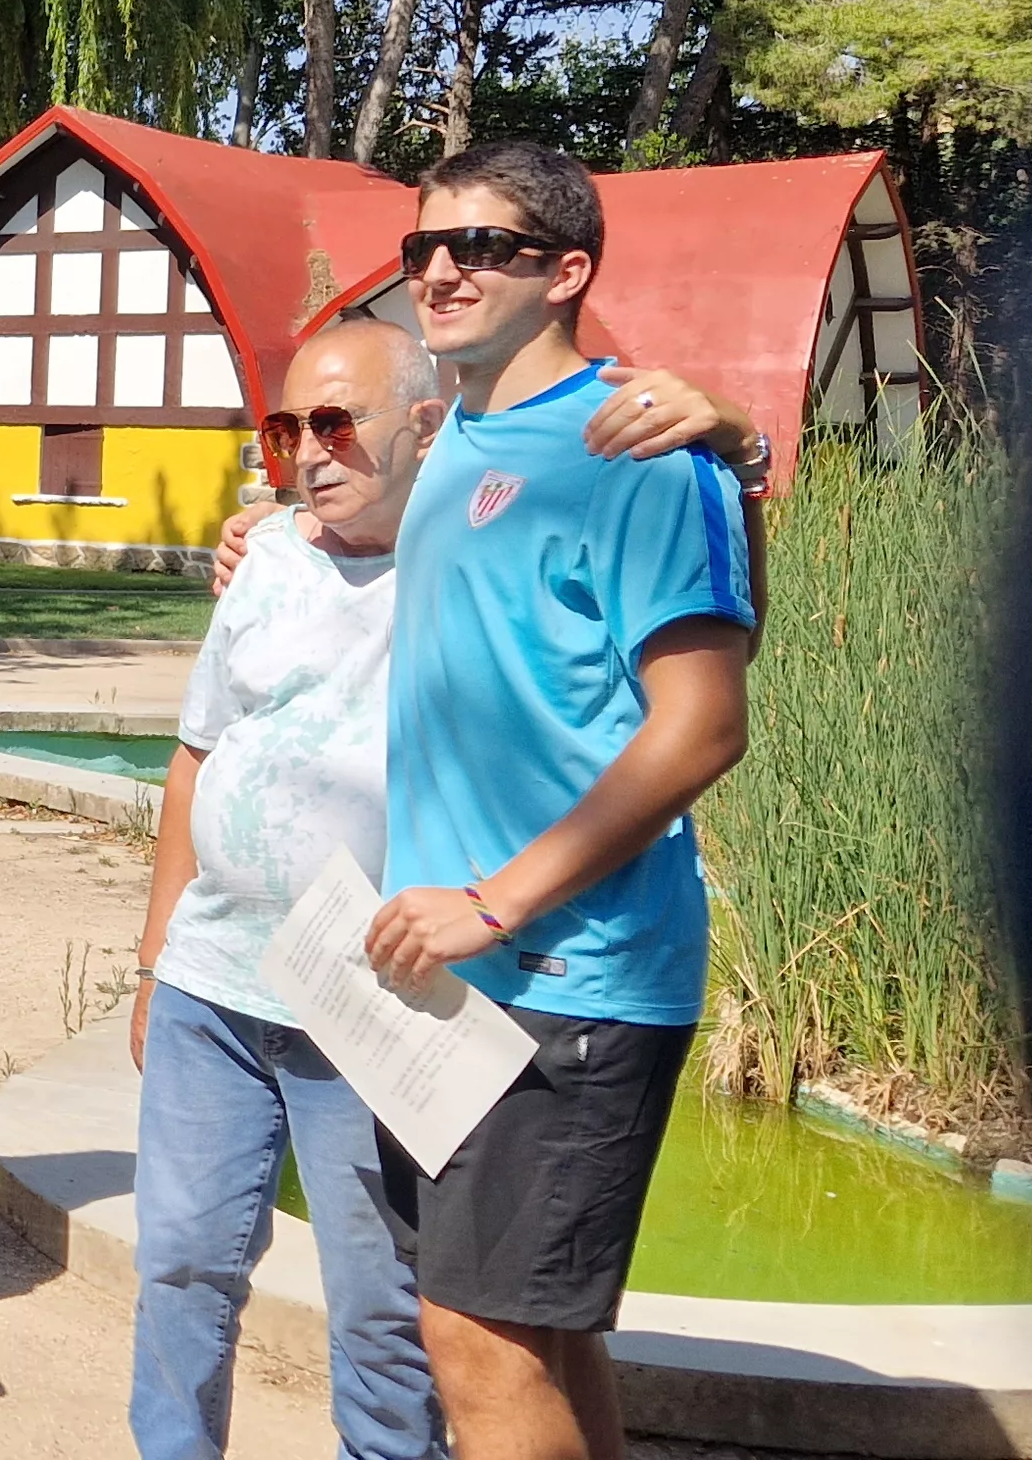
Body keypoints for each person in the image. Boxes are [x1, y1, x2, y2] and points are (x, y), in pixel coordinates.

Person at [358, 140, 756, 1460]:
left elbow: (702, 725)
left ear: (568, 270)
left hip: (565, 969)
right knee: (525, 1335)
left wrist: (496, 898)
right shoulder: (457, 436)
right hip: (448, 977)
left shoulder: (636, 449)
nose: (444, 269)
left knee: (482, 1344)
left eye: (484, 245)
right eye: (426, 246)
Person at [127, 317, 444, 1460]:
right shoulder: (261, 558)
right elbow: (198, 752)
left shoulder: (469, 557)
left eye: (333, 422)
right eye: (284, 426)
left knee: (379, 1304)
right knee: (179, 1260)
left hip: (370, 996)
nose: (307, 450)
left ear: (421, 424)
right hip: (217, 977)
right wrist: (155, 960)